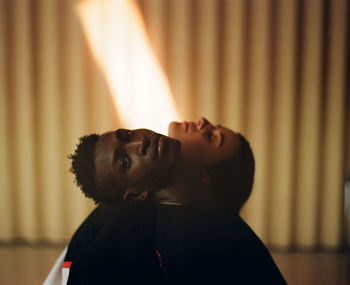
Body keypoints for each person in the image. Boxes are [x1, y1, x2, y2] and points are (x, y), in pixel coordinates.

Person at [46, 117, 286, 284]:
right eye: (126, 137)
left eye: (212, 137)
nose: (202, 121)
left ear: (202, 177)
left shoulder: (188, 235)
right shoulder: (128, 219)